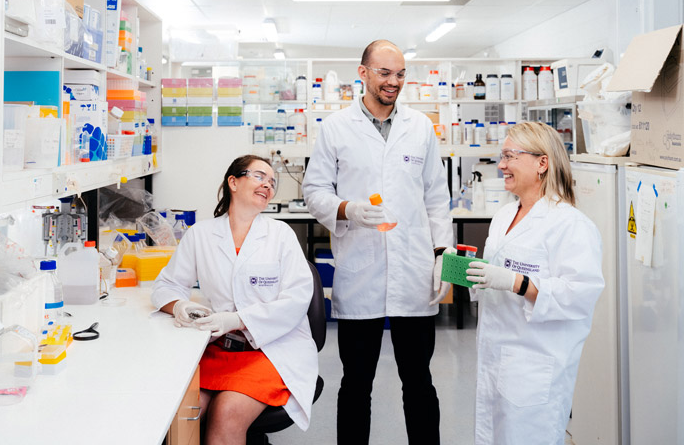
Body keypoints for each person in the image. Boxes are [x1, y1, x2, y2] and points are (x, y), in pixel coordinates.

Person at [302, 40, 453, 445]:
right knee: (355, 382)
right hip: (361, 271)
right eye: (385, 73)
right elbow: (314, 190)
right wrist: (347, 209)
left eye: (400, 74)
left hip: (414, 273)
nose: (393, 82)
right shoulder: (336, 127)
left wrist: (443, 255)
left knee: (419, 380)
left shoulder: (420, 127)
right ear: (363, 73)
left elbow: (437, 198)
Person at [152, 155, 318, 444]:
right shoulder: (201, 234)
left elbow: (296, 300)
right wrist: (180, 305)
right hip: (220, 349)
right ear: (233, 182)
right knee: (182, 411)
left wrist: (239, 320)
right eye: (259, 176)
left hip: (271, 350)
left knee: (227, 412)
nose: (268, 185)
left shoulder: (281, 235)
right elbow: (166, 285)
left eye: (272, 182)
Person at [465, 121, 604, 445]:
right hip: (494, 359)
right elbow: (494, 279)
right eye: (501, 156)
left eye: (509, 156)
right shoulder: (504, 216)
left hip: (534, 368)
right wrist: (465, 272)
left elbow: (580, 294)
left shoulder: (570, 224)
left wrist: (517, 282)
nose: (501, 165)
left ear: (542, 163)